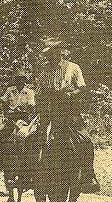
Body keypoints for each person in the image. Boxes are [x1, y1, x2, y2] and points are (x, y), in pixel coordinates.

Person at [36, 38, 100, 193]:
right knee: (33, 138)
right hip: (50, 113)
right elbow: (39, 94)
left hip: (70, 113)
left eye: (51, 54)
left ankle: (88, 174)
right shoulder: (44, 73)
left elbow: (82, 88)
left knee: (86, 141)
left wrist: (71, 94)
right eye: (47, 55)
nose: (48, 57)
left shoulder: (73, 68)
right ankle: (30, 173)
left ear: (58, 53)